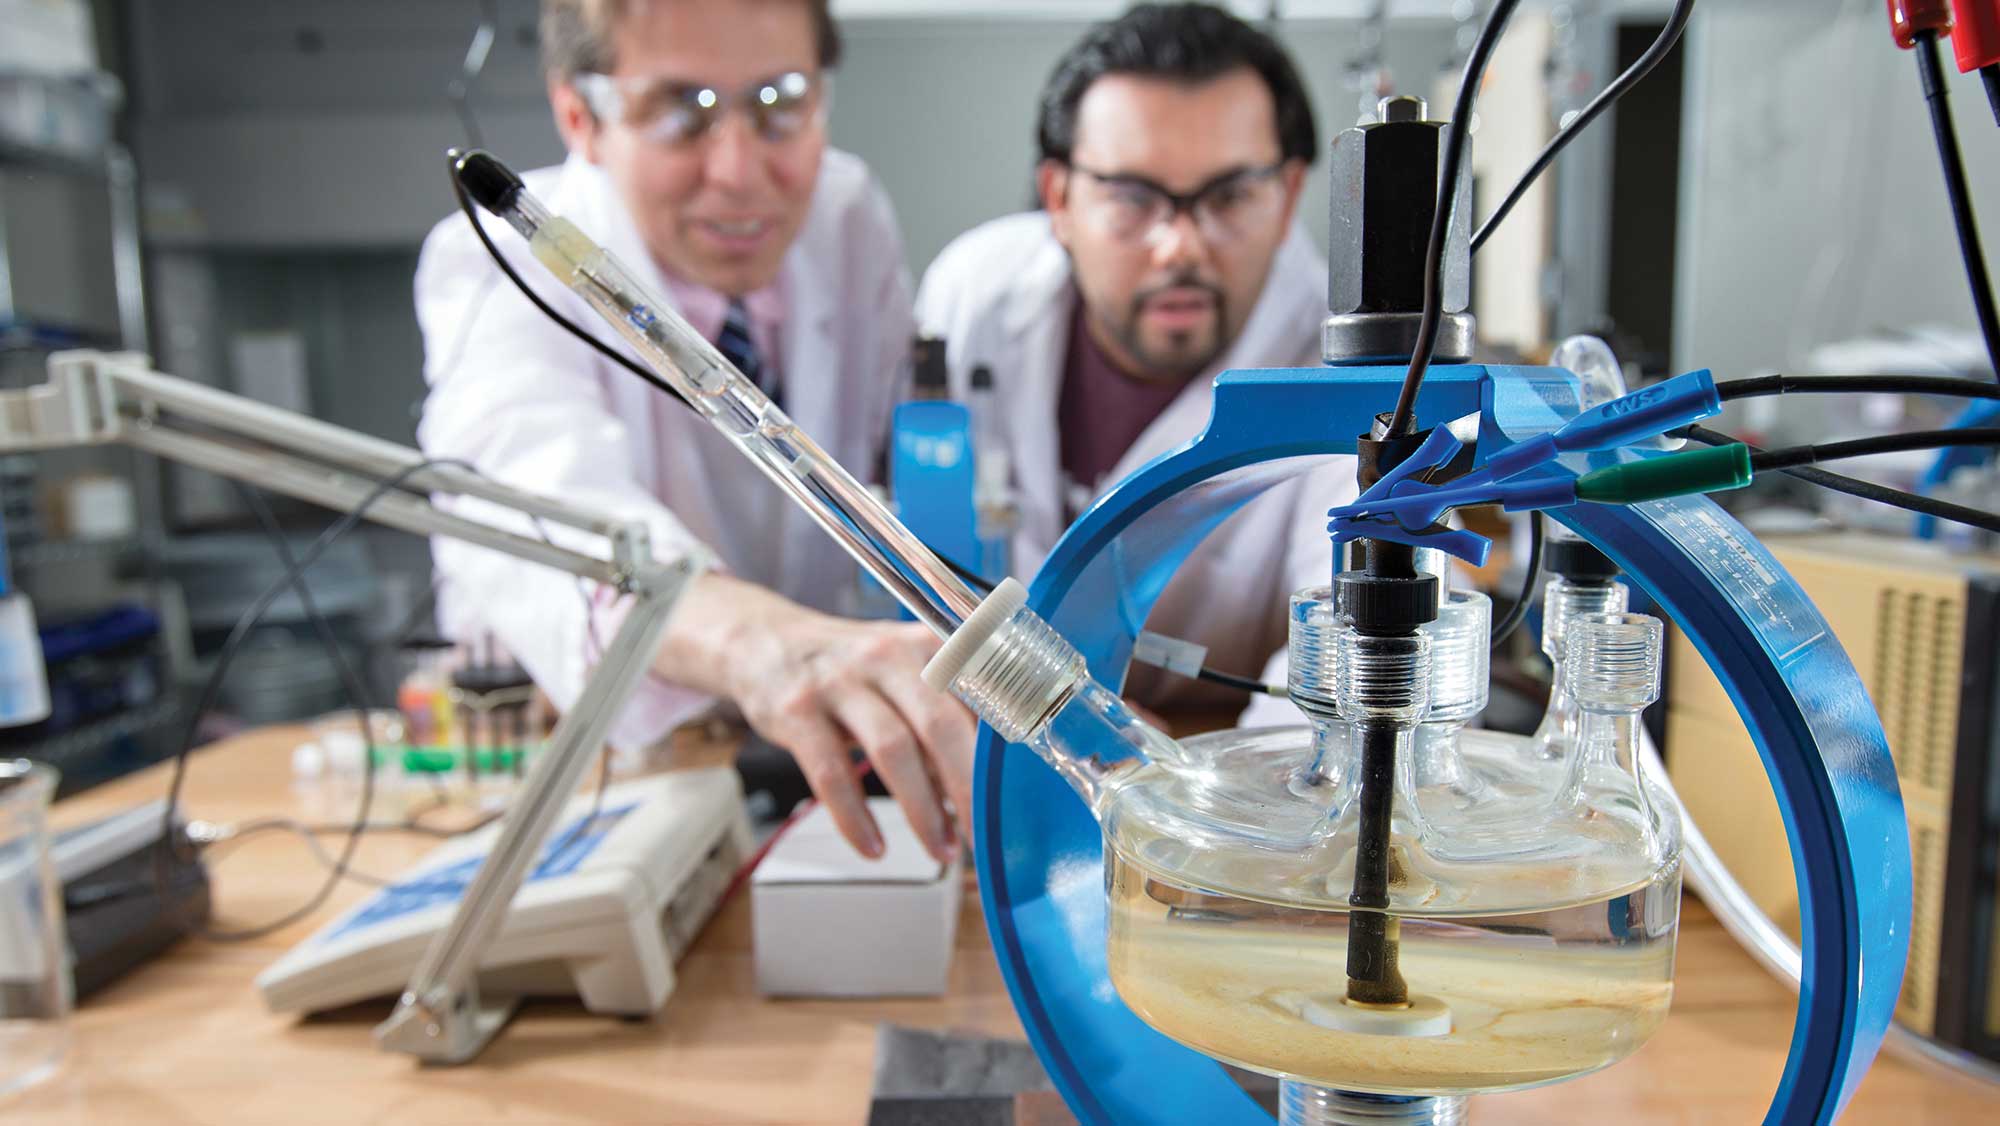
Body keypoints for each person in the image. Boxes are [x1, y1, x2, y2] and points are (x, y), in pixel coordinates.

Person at [415, 0, 973, 863]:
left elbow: (878, 471)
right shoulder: (497, 263)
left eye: (780, 103)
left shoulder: (845, 215)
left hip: (807, 752)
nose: (740, 172)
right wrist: (759, 645)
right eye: (682, 112)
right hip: (593, 761)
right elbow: (544, 513)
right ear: (579, 116)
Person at [916, 2, 1354, 722]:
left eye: (1229, 196)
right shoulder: (974, 298)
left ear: (1287, 199)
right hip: (974, 742)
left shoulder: (1349, 370)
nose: (1179, 246)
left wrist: (1173, 774)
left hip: (1210, 764)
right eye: (1131, 197)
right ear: (1059, 198)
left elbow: (1362, 670)